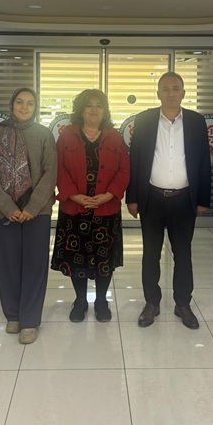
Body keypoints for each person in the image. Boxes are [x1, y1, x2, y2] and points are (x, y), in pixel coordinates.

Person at [126, 72, 211, 329]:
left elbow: (203, 162)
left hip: (184, 200)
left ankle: (182, 303)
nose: (171, 93)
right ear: (158, 93)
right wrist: (132, 197)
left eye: (176, 88)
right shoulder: (144, 120)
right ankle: (152, 302)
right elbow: (135, 159)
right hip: (151, 198)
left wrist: (203, 199)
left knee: (183, 254)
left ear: (183, 93)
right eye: (165, 88)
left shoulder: (196, 121)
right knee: (150, 254)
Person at [0, 88, 57, 344]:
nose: (24, 107)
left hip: (37, 210)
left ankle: (30, 320)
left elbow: (50, 173)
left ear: (36, 107)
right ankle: (13, 315)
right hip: (5, 210)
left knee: (35, 265)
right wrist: (8, 207)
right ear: (12, 104)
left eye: (30, 103)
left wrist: (32, 207)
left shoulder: (44, 134)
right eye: (20, 102)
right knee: (8, 264)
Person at [51, 89, 130, 322]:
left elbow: (124, 170)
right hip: (74, 209)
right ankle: (80, 300)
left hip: (106, 209)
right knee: (77, 258)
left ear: (105, 111)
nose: (94, 110)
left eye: (99, 105)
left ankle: (102, 301)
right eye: (89, 105)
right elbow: (58, 168)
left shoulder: (114, 137)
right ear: (80, 110)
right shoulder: (67, 136)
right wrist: (74, 195)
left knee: (104, 259)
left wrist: (109, 195)